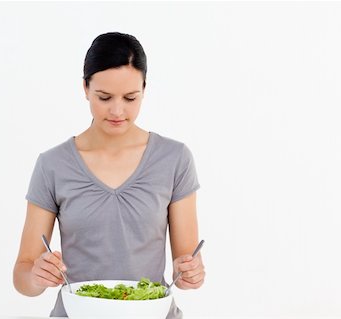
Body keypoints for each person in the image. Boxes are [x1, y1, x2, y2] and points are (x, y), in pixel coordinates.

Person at [13, 32, 205, 318]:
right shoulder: (52, 165)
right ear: (85, 88)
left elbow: (186, 262)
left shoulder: (174, 159)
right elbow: (23, 275)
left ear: (144, 89)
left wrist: (190, 273)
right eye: (104, 97)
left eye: (130, 98)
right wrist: (36, 276)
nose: (118, 111)